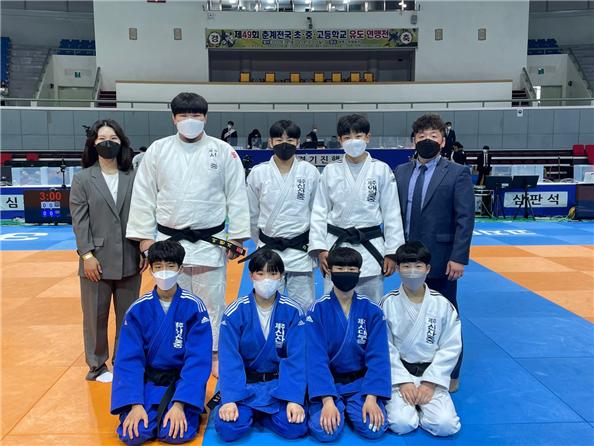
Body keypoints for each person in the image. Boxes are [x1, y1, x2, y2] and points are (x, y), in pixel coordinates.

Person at [126, 92, 250, 377]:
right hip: (169, 244)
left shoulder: (223, 151)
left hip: (210, 242)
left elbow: (236, 194)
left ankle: (214, 353)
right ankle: (174, 352)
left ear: (205, 118)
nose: (189, 120)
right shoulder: (157, 150)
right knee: (171, 301)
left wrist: (237, 236)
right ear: (173, 118)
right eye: (183, 115)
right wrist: (145, 240)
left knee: (212, 303)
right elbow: (144, 195)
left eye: (195, 115)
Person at [394, 113, 474, 392]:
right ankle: (412, 364)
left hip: (442, 257)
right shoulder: (400, 172)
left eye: (433, 135)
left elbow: (465, 218)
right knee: (408, 312)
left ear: (442, 141)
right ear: (413, 140)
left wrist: (459, 257)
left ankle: (451, 373)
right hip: (407, 257)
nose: (427, 140)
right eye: (421, 136)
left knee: (447, 315)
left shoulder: (457, 172)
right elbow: (393, 214)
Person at [111, 240, 213, 445]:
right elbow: (128, 359)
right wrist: (135, 404)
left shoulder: (194, 307)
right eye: (158, 266)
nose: (164, 272)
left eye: (170, 266)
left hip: (180, 385)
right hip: (147, 385)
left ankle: (184, 407)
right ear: (150, 270)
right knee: (134, 435)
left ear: (180, 269)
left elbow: (198, 359)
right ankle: (144, 407)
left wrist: (180, 404)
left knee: (175, 434)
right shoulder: (137, 309)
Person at [70, 119, 144, 383]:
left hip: (130, 257)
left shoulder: (133, 177)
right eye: (101, 138)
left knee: (129, 317)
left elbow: (143, 214)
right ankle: (97, 365)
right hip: (96, 261)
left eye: (113, 138)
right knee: (95, 316)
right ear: (93, 143)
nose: (107, 142)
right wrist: (86, 255)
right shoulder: (82, 179)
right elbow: (80, 222)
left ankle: (124, 362)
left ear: (122, 142)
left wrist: (143, 248)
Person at [309, 113, 405, 303]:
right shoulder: (330, 170)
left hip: (370, 247)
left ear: (368, 137)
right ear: (340, 140)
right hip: (337, 246)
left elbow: (392, 213)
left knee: (371, 304)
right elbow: (319, 212)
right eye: (347, 137)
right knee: (333, 302)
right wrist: (320, 249)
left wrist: (392, 251)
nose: (353, 141)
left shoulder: (381, 170)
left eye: (358, 136)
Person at [215, 250, 307, 442]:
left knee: (295, 427)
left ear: (281, 276)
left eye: (273, 273)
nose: (267, 279)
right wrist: (230, 399)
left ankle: (257, 415)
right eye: (260, 273)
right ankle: (259, 413)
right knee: (227, 429)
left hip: (278, 386)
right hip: (245, 386)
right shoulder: (234, 312)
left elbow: (296, 358)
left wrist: (294, 399)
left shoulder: (293, 311)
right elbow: (229, 358)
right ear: (251, 276)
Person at [306, 247, 391, 442]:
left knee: (374, 429)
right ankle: (335, 406)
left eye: (352, 270)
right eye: (340, 268)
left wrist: (371, 397)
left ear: (359, 273)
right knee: (325, 431)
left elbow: (379, 357)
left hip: (360, 385)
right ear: (329, 271)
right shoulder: (316, 311)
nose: (346, 273)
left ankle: (353, 408)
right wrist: (327, 401)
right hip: (329, 384)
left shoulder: (372, 311)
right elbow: (316, 359)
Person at [382, 241, 461, 436]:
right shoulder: (387, 303)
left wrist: (430, 382)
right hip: (400, 376)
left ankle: (423, 407)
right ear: (398, 269)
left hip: (431, 375)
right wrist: (402, 381)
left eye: (418, 266)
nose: (412, 272)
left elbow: (451, 347)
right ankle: (411, 408)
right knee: (402, 424)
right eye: (406, 266)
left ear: (428, 269)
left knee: (446, 426)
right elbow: (384, 346)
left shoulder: (443, 305)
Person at [245, 120, 320, 310]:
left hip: (300, 251)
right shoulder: (258, 173)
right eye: (279, 139)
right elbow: (252, 215)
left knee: (303, 308)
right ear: (270, 142)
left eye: (290, 140)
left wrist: (316, 246)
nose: (284, 144)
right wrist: (261, 241)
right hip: (268, 250)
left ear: (298, 143)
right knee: (266, 305)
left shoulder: (310, 172)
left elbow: (317, 213)